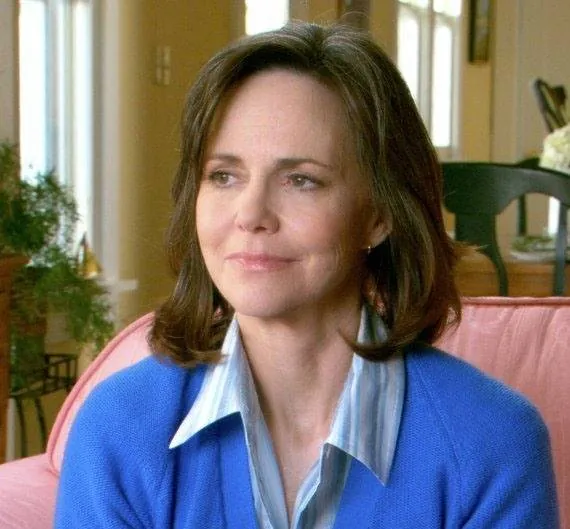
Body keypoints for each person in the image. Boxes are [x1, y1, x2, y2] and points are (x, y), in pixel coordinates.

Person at [54, 21, 559, 528]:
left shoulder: (493, 443)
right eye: (223, 176)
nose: (251, 214)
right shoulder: (118, 429)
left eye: (301, 180)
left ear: (380, 214)